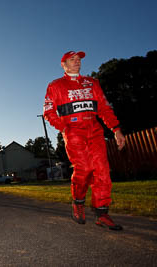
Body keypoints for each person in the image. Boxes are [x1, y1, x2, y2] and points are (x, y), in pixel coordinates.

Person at [43, 51, 126, 230]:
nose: (77, 62)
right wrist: (65, 127)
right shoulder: (55, 85)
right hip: (73, 131)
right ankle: (78, 202)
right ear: (63, 64)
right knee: (85, 168)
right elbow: (49, 113)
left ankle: (102, 213)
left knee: (102, 169)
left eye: (79, 59)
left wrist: (116, 129)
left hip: (94, 130)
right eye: (72, 59)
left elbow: (104, 108)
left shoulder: (92, 83)